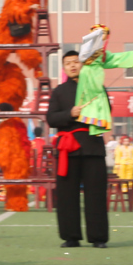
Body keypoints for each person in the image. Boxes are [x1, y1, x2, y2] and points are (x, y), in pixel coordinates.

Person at [46, 51, 110, 248]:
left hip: (93, 147)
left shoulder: (97, 87)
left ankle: (98, 238)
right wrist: (70, 113)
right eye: (68, 63)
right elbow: (51, 118)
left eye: (76, 62)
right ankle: (70, 237)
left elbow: (107, 112)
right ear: (64, 68)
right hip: (68, 148)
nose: (73, 65)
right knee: (66, 195)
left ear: (83, 65)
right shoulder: (59, 91)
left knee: (96, 194)